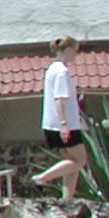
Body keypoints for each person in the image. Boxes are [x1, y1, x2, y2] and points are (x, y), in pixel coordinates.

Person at [33, 36, 86, 199]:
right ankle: (41, 178)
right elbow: (59, 99)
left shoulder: (52, 68)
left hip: (53, 125)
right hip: (64, 125)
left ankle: (67, 199)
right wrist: (64, 124)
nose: (76, 55)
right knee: (80, 160)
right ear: (68, 50)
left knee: (72, 163)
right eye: (75, 51)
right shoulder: (62, 72)